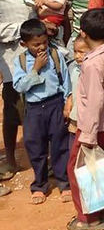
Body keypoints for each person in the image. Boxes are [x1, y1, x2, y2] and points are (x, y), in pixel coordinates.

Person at [65, 8, 104, 230]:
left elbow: (94, 102)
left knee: (79, 170)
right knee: (102, 166)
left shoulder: (90, 63)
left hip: (94, 126)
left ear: (83, 33)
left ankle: (88, 218)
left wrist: (88, 134)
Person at [12, 18, 71, 204]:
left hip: (55, 104)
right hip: (35, 109)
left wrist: (67, 102)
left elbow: (65, 80)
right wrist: (35, 69)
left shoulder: (55, 55)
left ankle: (64, 183)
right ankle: (40, 185)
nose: (41, 48)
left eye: (44, 42)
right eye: (36, 44)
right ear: (24, 44)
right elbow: (20, 86)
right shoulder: (20, 61)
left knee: (60, 145)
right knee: (35, 146)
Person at [0, 0, 37, 186]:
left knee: (40, 108)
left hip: (38, 58)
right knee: (13, 110)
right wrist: (23, 32)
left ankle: (42, 161)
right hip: (11, 60)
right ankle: (11, 159)